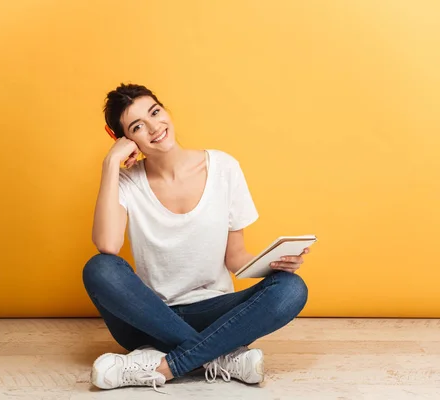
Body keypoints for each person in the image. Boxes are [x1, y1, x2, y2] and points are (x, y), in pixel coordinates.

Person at [83, 83, 310, 392]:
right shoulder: (125, 182)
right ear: (124, 139)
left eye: (155, 112)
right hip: (147, 317)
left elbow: (236, 258)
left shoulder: (224, 168)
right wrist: (110, 163)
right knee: (100, 268)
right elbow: (107, 245)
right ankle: (219, 356)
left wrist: (275, 264)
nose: (154, 127)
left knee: (291, 289)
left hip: (214, 311)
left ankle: (164, 364)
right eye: (137, 126)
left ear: (165, 110)